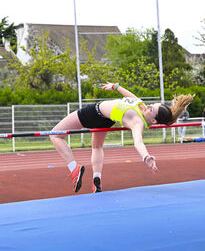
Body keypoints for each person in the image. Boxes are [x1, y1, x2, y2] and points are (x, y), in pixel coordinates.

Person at [50, 82, 195, 193]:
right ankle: (97, 179)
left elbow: (138, 142)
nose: (149, 106)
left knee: (55, 135)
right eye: (152, 104)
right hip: (106, 119)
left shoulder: (138, 122)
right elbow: (129, 96)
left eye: (152, 109)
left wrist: (146, 157)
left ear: (154, 121)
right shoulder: (142, 107)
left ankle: (74, 168)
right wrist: (116, 86)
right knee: (97, 146)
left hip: (93, 113)